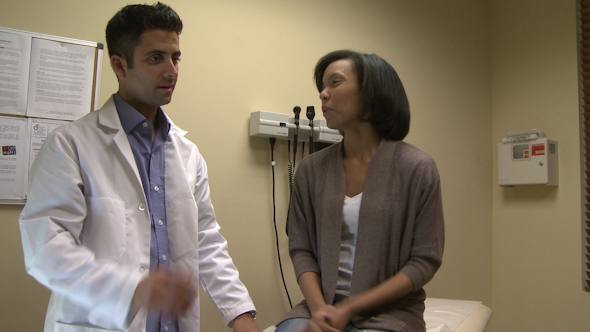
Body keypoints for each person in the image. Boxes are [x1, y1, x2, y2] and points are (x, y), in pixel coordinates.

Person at [18, 3, 260, 332]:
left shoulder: (187, 154)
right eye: (155, 58)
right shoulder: (70, 146)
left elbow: (207, 241)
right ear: (120, 65)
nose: (171, 70)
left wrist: (239, 315)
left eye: (175, 57)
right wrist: (131, 291)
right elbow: (45, 248)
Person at [274, 50, 445, 332]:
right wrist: (320, 312)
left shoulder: (417, 167)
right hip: (321, 306)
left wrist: (350, 308)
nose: (323, 94)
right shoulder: (310, 170)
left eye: (335, 82)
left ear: (370, 95)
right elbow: (301, 248)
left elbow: (425, 261)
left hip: (391, 312)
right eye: (322, 86)